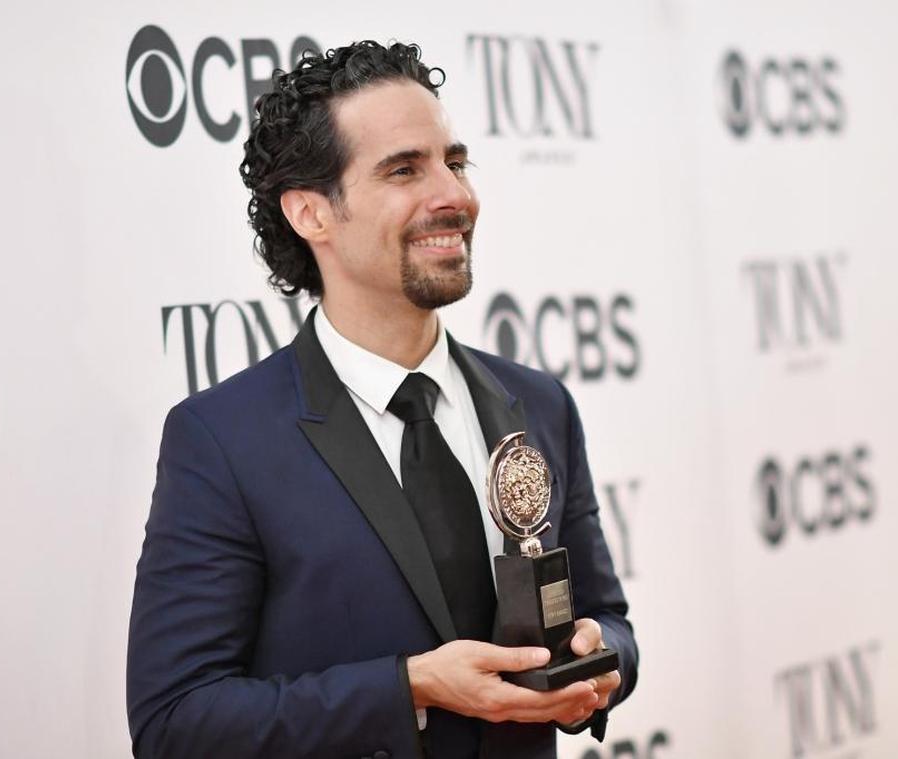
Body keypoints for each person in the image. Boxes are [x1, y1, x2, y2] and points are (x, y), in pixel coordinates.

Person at [126, 40, 637, 759]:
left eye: (454, 162)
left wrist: (598, 653)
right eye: (404, 170)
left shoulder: (538, 402)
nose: (455, 196)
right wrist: (410, 688)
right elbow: (176, 721)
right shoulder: (223, 441)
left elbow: (609, 619)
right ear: (311, 214)